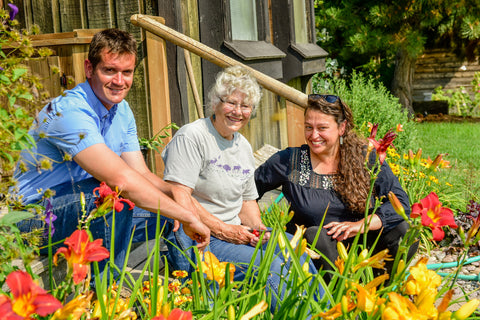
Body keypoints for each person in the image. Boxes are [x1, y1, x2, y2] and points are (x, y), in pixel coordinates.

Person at [13, 28, 209, 269]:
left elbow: (142, 174)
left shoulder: (122, 110)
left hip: (83, 206)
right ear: (89, 68)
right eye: (110, 70)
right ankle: (106, 295)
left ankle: (192, 292)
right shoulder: (69, 110)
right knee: (109, 196)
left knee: (170, 213)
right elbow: (122, 179)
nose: (119, 81)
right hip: (34, 217)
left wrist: (180, 198)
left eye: (127, 72)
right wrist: (187, 215)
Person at [161, 65, 323, 312]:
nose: (238, 112)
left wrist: (259, 231)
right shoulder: (193, 136)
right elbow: (178, 194)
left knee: (294, 249)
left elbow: (247, 203)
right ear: (215, 102)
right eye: (231, 103)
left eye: (245, 106)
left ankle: (324, 313)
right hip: (198, 238)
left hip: (233, 233)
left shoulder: (243, 146)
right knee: (271, 267)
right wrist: (224, 229)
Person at [255, 94, 417, 278]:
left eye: (322, 128)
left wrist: (360, 225)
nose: (313, 135)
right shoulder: (289, 161)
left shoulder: (365, 157)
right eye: (309, 127)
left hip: (363, 248)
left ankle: (376, 293)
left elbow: (401, 203)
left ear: (342, 127)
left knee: (406, 231)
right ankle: (338, 298)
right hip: (313, 254)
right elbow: (248, 191)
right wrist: (258, 229)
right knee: (317, 234)